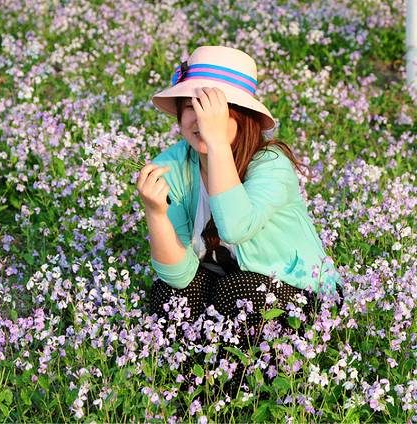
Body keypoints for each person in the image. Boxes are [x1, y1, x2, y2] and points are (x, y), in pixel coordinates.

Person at [137, 46, 342, 351]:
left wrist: (217, 143)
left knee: (238, 291)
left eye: (214, 113)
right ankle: (194, 374)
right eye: (192, 107)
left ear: (244, 118)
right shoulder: (171, 167)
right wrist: (156, 214)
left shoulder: (271, 163)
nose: (201, 121)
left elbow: (235, 228)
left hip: (299, 294)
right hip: (227, 286)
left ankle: (258, 375)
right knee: (170, 295)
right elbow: (178, 276)